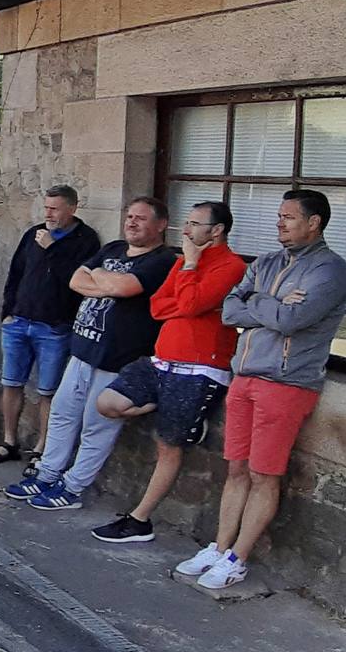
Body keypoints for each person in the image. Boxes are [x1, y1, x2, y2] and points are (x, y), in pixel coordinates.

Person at [177, 190, 346, 590]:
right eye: (279, 216)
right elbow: (230, 310)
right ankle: (219, 547)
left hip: (286, 383)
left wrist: (257, 303)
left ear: (314, 222)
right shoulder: (268, 262)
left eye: (289, 217)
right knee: (236, 468)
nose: (280, 223)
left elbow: (293, 320)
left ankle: (238, 557)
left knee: (263, 474)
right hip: (246, 376)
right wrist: (270, 301)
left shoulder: (331, 270)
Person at [90, 201, 246, 544]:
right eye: (186, 223)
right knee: (107, 402)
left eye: (194, 224)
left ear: (216, 231)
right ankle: (175, 412)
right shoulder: (182, 263)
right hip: (161, 360)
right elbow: (158, 306)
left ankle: (139, 520)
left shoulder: (230, 266)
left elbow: (189, 304)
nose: (186, 231)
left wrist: (190, 268)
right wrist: (189, 298)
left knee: (168, 446)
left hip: (199, 368)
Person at [6, 196, 175, 511]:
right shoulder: (112, 248)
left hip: (118, 356)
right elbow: (75, 280)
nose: (132, 222)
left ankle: (72, 488)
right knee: (62, 412)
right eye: (129, 216)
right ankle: (47, 473)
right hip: (83, 348)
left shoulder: (163, 260)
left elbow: (126, 288)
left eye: (141, 218)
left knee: (97, 425)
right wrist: (107, 284)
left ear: (161, 225)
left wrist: (102, 281)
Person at [0, 185, 103, 469]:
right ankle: (9, 440)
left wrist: (53, 249)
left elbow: (75, 280)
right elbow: (15, 273)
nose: (47, 213)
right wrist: (8, 312)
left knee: (48, 391)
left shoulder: (85, 240)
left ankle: (42, 448)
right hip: (19, 321)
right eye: (46, 207)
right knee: (11, 384)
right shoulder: (34, 233)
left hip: (53, 327)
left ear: (72, 209)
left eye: (54, 208)